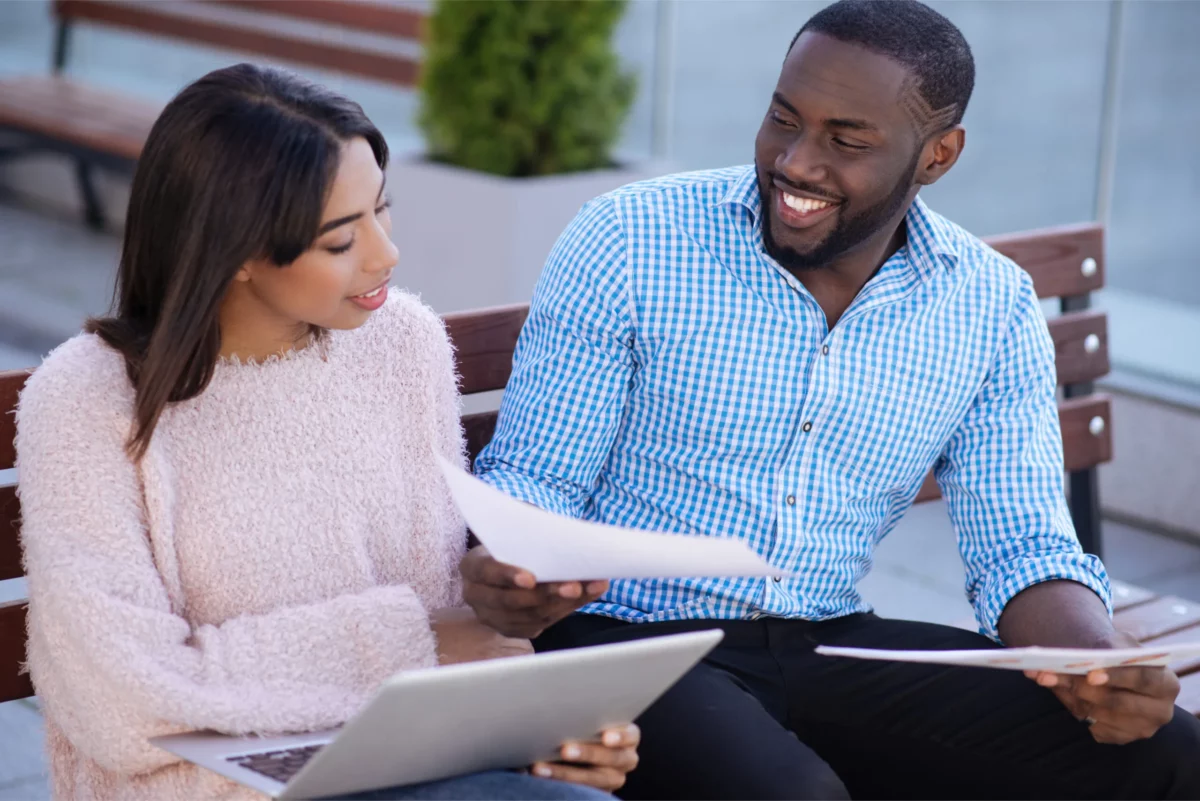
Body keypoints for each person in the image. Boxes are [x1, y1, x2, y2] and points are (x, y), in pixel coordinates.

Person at [461, 2, 1200, 799]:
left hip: (827, 639)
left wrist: (1097, 663)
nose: (797, 162)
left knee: (1165, 753)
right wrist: (515, 571)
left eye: (847, 142)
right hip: (625, 643)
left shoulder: (989, 305)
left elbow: (1023, 545)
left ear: (938, 156)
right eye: (784, 118)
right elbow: (536, 483)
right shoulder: (631, 238)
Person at [15, 63, 638, 801]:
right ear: (238, 250)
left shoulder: (400, 341)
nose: (385, 255)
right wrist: (407, 646)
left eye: (383, 209)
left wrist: (534, 732)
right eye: (341, 239)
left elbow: (443, 618)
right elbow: (123, 700)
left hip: (408, 757)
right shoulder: (88, 398)